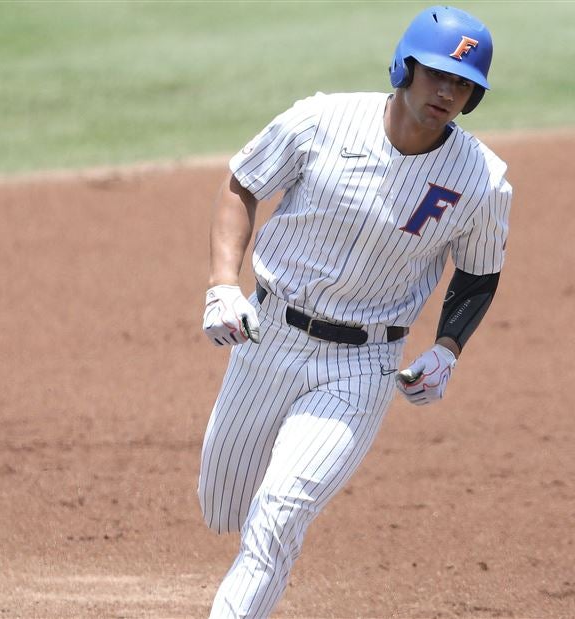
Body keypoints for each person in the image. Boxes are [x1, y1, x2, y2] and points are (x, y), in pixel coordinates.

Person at [196, 6, 511, 617]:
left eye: (463, 83)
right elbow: (243, 183)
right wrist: (221, 285)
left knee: (279, 512)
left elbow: (479, 272)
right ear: (405, 66)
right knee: (224, 508)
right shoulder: (322, 120)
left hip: (363, 365)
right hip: (269, 337)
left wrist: (447, 350)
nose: (447, 91)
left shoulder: (482, 180)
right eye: (437, 74)